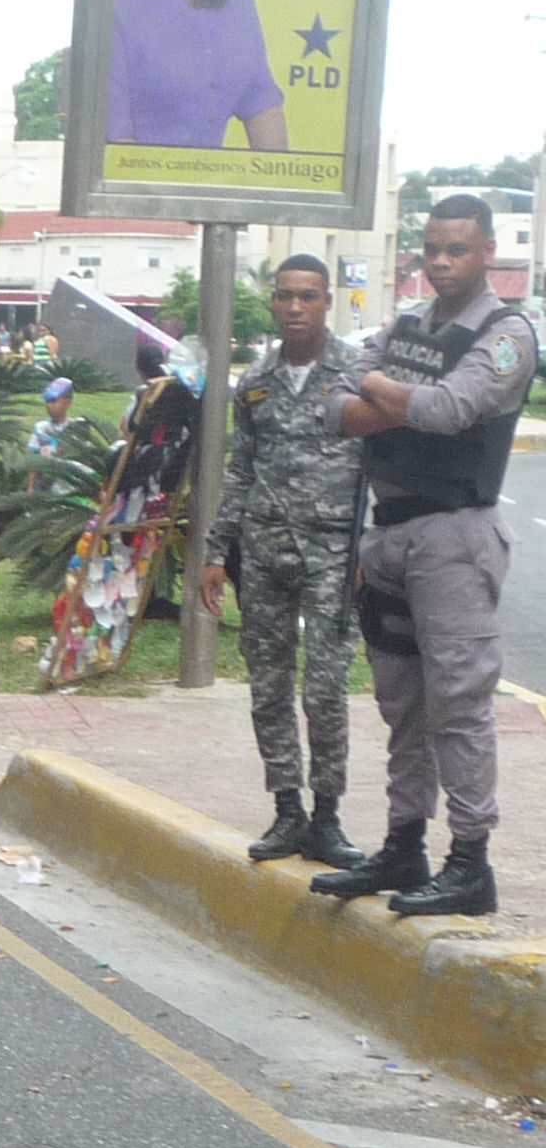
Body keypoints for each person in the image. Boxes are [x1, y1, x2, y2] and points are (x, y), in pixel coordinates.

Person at [310, 195, 538, 915]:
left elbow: (450, 411)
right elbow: (330, 404)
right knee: (401, 702)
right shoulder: (407, 326)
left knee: (459, 703)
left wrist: (376, 389)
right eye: (432, 249)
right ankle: (404, 846)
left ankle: (469, 863)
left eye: (458, 250)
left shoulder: (507, 334)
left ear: (489, 253)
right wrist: (400, 396)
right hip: (390, 535)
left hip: (454, 537)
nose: (441, 262)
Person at [200, 256, 364, 867]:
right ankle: (287, 810)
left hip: (332, 555)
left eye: (310, 297)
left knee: (325, 688)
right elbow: (241, 470)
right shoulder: (257, 381)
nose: (296, 307)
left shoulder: (358, 374)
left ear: (328, 302)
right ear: (272, 303)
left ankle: (327, 816)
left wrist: (365, 548)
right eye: (286, 297)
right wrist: (218, 550)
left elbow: (379, 468)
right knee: (268, 686)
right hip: (265, 554)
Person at [108, 0, 286, 152]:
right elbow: (116, 141)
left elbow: (260, 98)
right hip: (136, 179)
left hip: (212, 179)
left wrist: (278, 178)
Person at [27, 377, 77, 459]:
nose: (49, 406)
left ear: (67, 402)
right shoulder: (40, 428)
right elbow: (33, 460)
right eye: (47, 401)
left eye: (54, 401)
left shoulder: (76, 429)